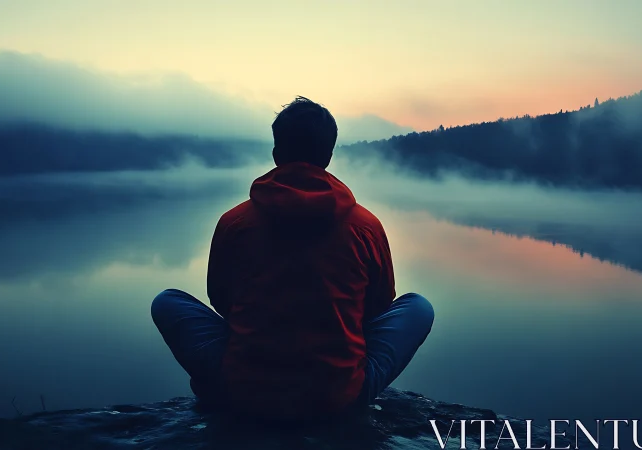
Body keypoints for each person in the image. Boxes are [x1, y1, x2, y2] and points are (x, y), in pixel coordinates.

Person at [151, 96, 434, 420]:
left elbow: (222, 300)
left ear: (276, 153)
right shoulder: (365, 226)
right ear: (328, 155)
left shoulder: (234, 222)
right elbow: (378, 305)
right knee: (418, 307)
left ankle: (225, 388)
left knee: (166, 301)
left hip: (244, 392)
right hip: (337, 397)